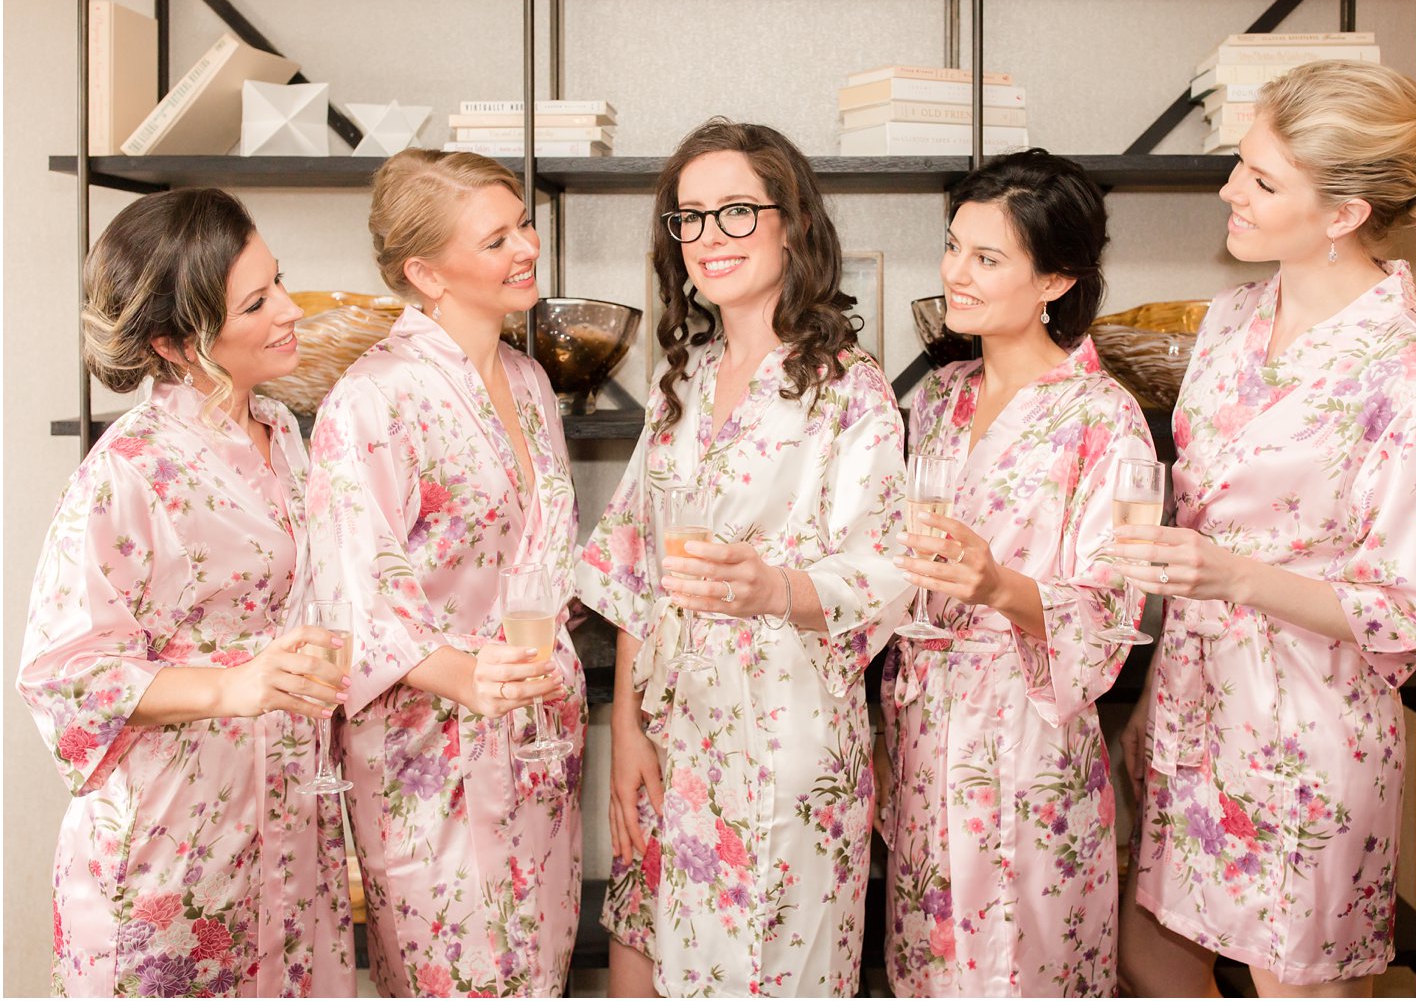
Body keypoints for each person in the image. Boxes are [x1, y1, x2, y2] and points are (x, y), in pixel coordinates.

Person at [1108, 61, 1416, 996]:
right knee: (1151, 951)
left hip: (1309, 737)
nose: (1230, 189)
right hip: (1194, 712)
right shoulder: (1234, 321)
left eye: (1263, 180)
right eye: (1241, 163)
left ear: (1345, 213)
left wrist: (1229, 575)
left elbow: (1404, 609)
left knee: (1297, 982)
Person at [574, 118, 913, 998]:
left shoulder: (850, 387)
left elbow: (889, 566)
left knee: (769, 974)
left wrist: (777, 587)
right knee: (651, 961)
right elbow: (639, 571)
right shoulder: (678, 379)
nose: (708, 239)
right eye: (689, 218)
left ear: (792, 220)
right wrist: (631, 738)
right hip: (679, 733)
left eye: (735, 212)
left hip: (787, 736)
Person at [17, 188, 355, 997]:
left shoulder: (283, 431)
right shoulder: (127, 471)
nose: (289, 310)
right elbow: (62, 674)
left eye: (280, 282)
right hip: (171, 846)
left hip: (286, 836)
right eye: (256, 302)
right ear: (176, 342)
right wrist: (232, 685)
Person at [304, 149, 584, 997]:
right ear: (424, 272)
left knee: (538, 965)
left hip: (535, 728)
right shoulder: (370, 398)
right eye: (495, 239)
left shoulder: (531, 382)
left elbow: (549, 557)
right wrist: (474, 680)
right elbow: (354, 592)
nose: (525, 248)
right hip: (428, 746)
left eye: (523, 225)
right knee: (452, 973)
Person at [877, 149, 1153, 996]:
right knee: (927, 965)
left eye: (987, 258)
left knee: (1019, 969)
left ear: (1055, 281)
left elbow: (1112, 611)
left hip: (1027, 745)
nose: (956, 273)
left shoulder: (1104, 418)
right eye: (954, 246)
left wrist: (998, 586)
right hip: (923, 734)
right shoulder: (940, 397)